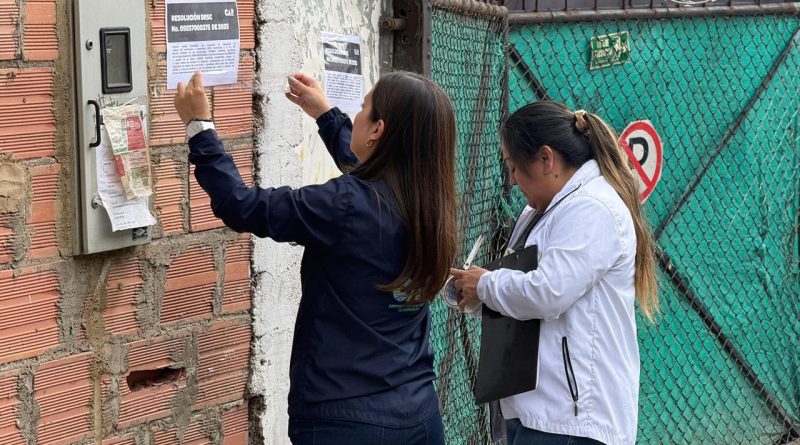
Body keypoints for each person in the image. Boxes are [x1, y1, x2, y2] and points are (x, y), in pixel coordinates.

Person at [174, 71, 457, 445]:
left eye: (362, 109)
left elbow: (242, 206)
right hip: (419, 416)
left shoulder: (345, 205)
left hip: (345, 422)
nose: (355, 116)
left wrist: (200, 126)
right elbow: (368, 169)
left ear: (377, 131)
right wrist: (326, 115)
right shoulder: (432, 207)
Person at [450, 101, 658, 445]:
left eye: (514, 166)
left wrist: (485, 284)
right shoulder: (543, 209)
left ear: (546, 159)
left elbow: (549, 292)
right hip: (538, 410)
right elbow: (522, 285)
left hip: (573, 421)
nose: (513, 180)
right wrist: (475, 292)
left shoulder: (593, 209)